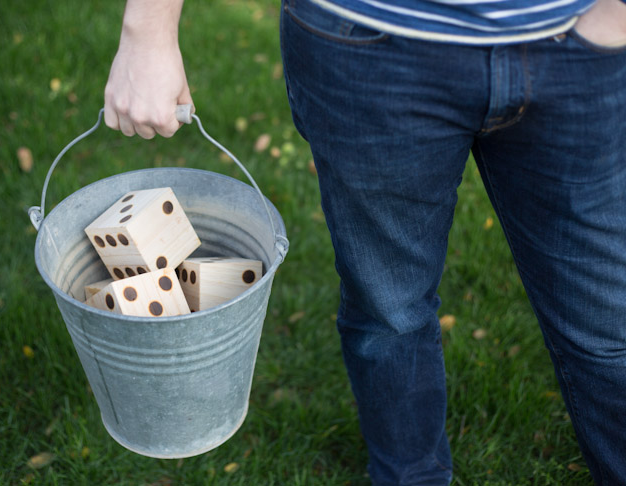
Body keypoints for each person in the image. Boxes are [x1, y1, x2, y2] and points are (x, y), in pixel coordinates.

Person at [104, 0, 626, 484]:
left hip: (578, 43)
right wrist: (147, 31)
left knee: (607, 325)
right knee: (390, 313)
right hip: (368, 46)